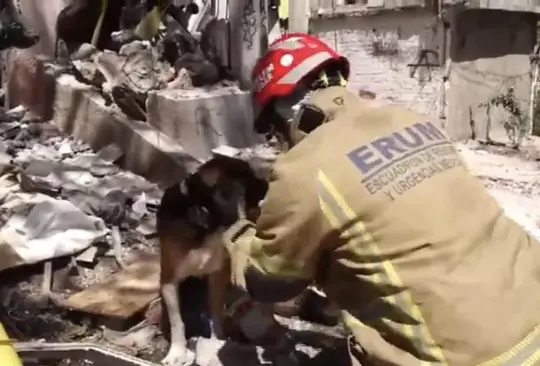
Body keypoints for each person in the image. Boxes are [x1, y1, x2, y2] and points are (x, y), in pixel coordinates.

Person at [222, 32, 540, 365]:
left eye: (274, 129)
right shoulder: (414, 121)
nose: (280, 140)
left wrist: (238, 236)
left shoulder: (302, 169)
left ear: (288, 111)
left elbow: (270, 283)